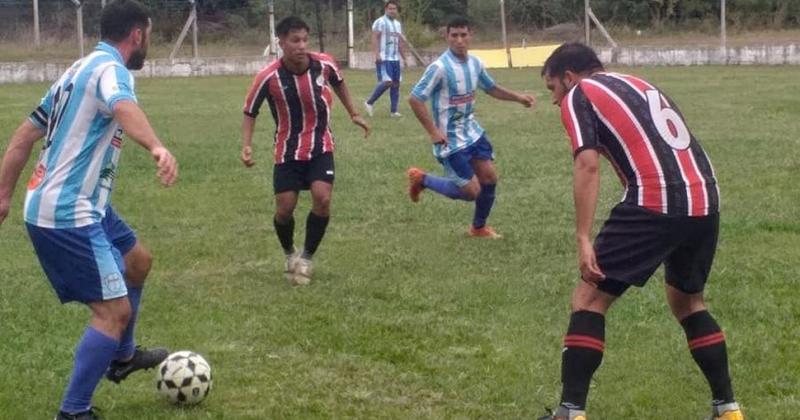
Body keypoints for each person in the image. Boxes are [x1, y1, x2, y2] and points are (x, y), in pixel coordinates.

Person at [536, 43, 743, 420]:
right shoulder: (638, 82)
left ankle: (570, 412)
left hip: (657, 199)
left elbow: (587, 165)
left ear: (568, 77)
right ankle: (728, 410)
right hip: (706, 198)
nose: (554, 101)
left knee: (587, 300)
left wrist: (583, 238)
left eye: (552, 89)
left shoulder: (580, 92)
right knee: (689, 303)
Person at [0, 0, 178, 418]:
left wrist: (5, 195)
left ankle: (123, 356)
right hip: (66, 210)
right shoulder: (110, 71)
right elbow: (122, 106)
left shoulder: (76, 70)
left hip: (84, 204)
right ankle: (74, 411)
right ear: (137, 34)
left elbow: (23, 137)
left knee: (138, 261)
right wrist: (155, 145)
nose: (147, 43)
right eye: (148, 36)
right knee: (113, 311)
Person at [241, 16, 370, 286]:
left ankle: (307, 258)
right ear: (281, 42)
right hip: (287, 151)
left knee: (322, 199)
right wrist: (247, 145)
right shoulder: (268, 77)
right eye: (294, 40)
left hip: (321, 145)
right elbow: (250, 111)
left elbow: (340, 82)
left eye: (304, 39)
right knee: (284, 209)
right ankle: (289, 253)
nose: (301, 46)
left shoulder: (324, 64)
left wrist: (354, 113)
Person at [406, 16, 535, 239]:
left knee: (489, 179)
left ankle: (478, 228)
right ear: (446, 37)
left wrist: (518, 97)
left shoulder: (475, 63)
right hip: (450, 140)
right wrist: (433, 132)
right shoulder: (439, 68)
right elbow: (415, 99)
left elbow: (491, 87)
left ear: (470, 35)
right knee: (471, 192)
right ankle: (423, 179)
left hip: (473, 133)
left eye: (463, 35)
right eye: (454, 35)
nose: (459, 40)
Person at [364, 0, 408, 118]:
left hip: (395, 59)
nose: (392, 11)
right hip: (384, 58)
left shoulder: (398, 24)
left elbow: (398, 42)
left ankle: (394, 111)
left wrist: (404, 57)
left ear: (397, 11)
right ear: (386, 9)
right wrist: (377, 54)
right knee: (387, 82)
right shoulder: (380, 22)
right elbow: (374, 38)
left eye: (394, 9)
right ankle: (369, 102)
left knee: (396, 84)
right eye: (390, 8)